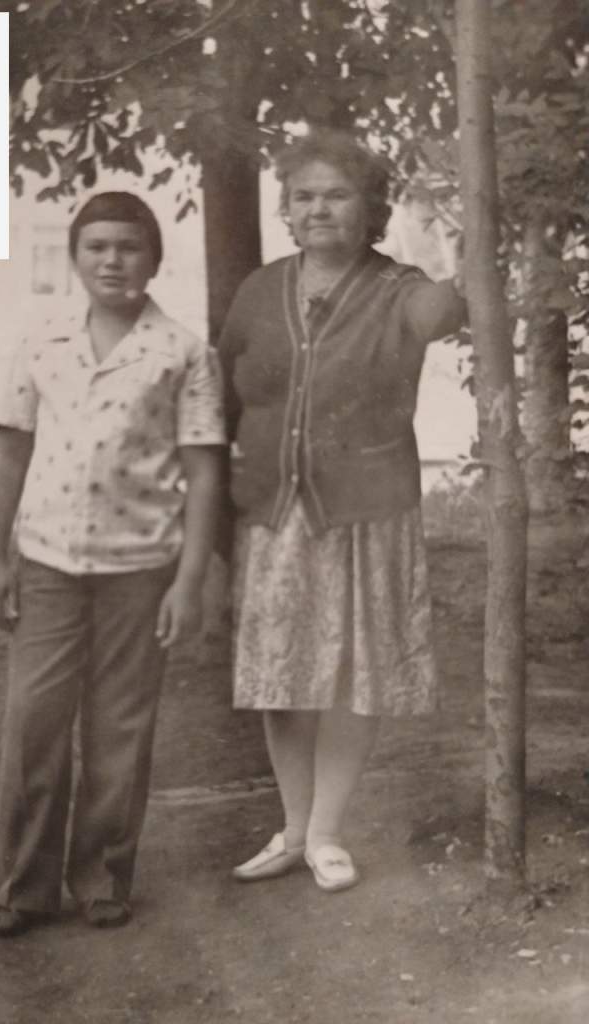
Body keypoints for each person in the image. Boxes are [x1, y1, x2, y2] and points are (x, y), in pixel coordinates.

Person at [218, 130, 465, 892]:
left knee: (355, 676)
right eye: (304, 197)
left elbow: (446, 312)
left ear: (372, 208)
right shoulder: (259, 291)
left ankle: (327, 832)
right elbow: (225, 395)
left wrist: (462, 260)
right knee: (279, 673)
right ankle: (293, 829)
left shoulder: (398, 288)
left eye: (337, 195)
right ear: (287, 210)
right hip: (275, 512)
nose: (318, 209)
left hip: (366, 511)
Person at [0, 192, 225, 936]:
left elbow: (204, 472)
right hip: (49, 562)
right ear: (75, 258)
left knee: (120, 726)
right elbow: (9, 451)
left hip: (140, 569)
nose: (113, 261)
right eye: (97, 247)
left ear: (153, 259)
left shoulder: (183, 351)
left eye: (128, 247)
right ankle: (25, 885)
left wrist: (190, 580)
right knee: (34, 723)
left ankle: (102, 877)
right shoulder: (42, 340)